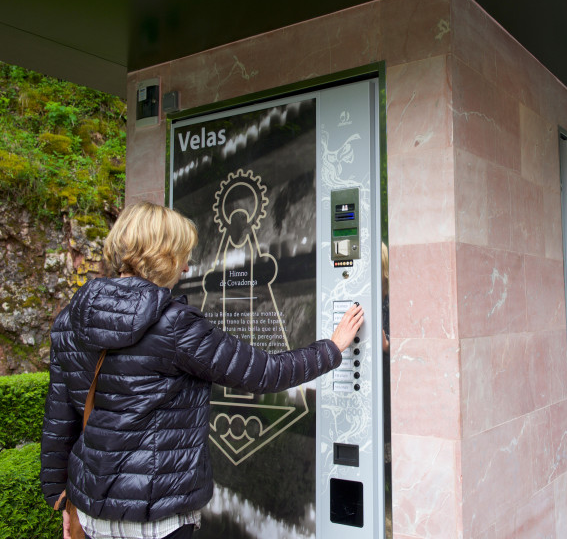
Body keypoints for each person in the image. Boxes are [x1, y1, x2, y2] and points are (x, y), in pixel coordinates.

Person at [40, 201, 363, 539]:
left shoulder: (69, 320)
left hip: (93, 513)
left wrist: (62, 498)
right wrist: (333, 347)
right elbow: (265, 372)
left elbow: (59, 420)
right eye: (183, 255)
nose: (186, 268)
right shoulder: (173, 325)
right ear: (163, 254)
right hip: (158, 516)